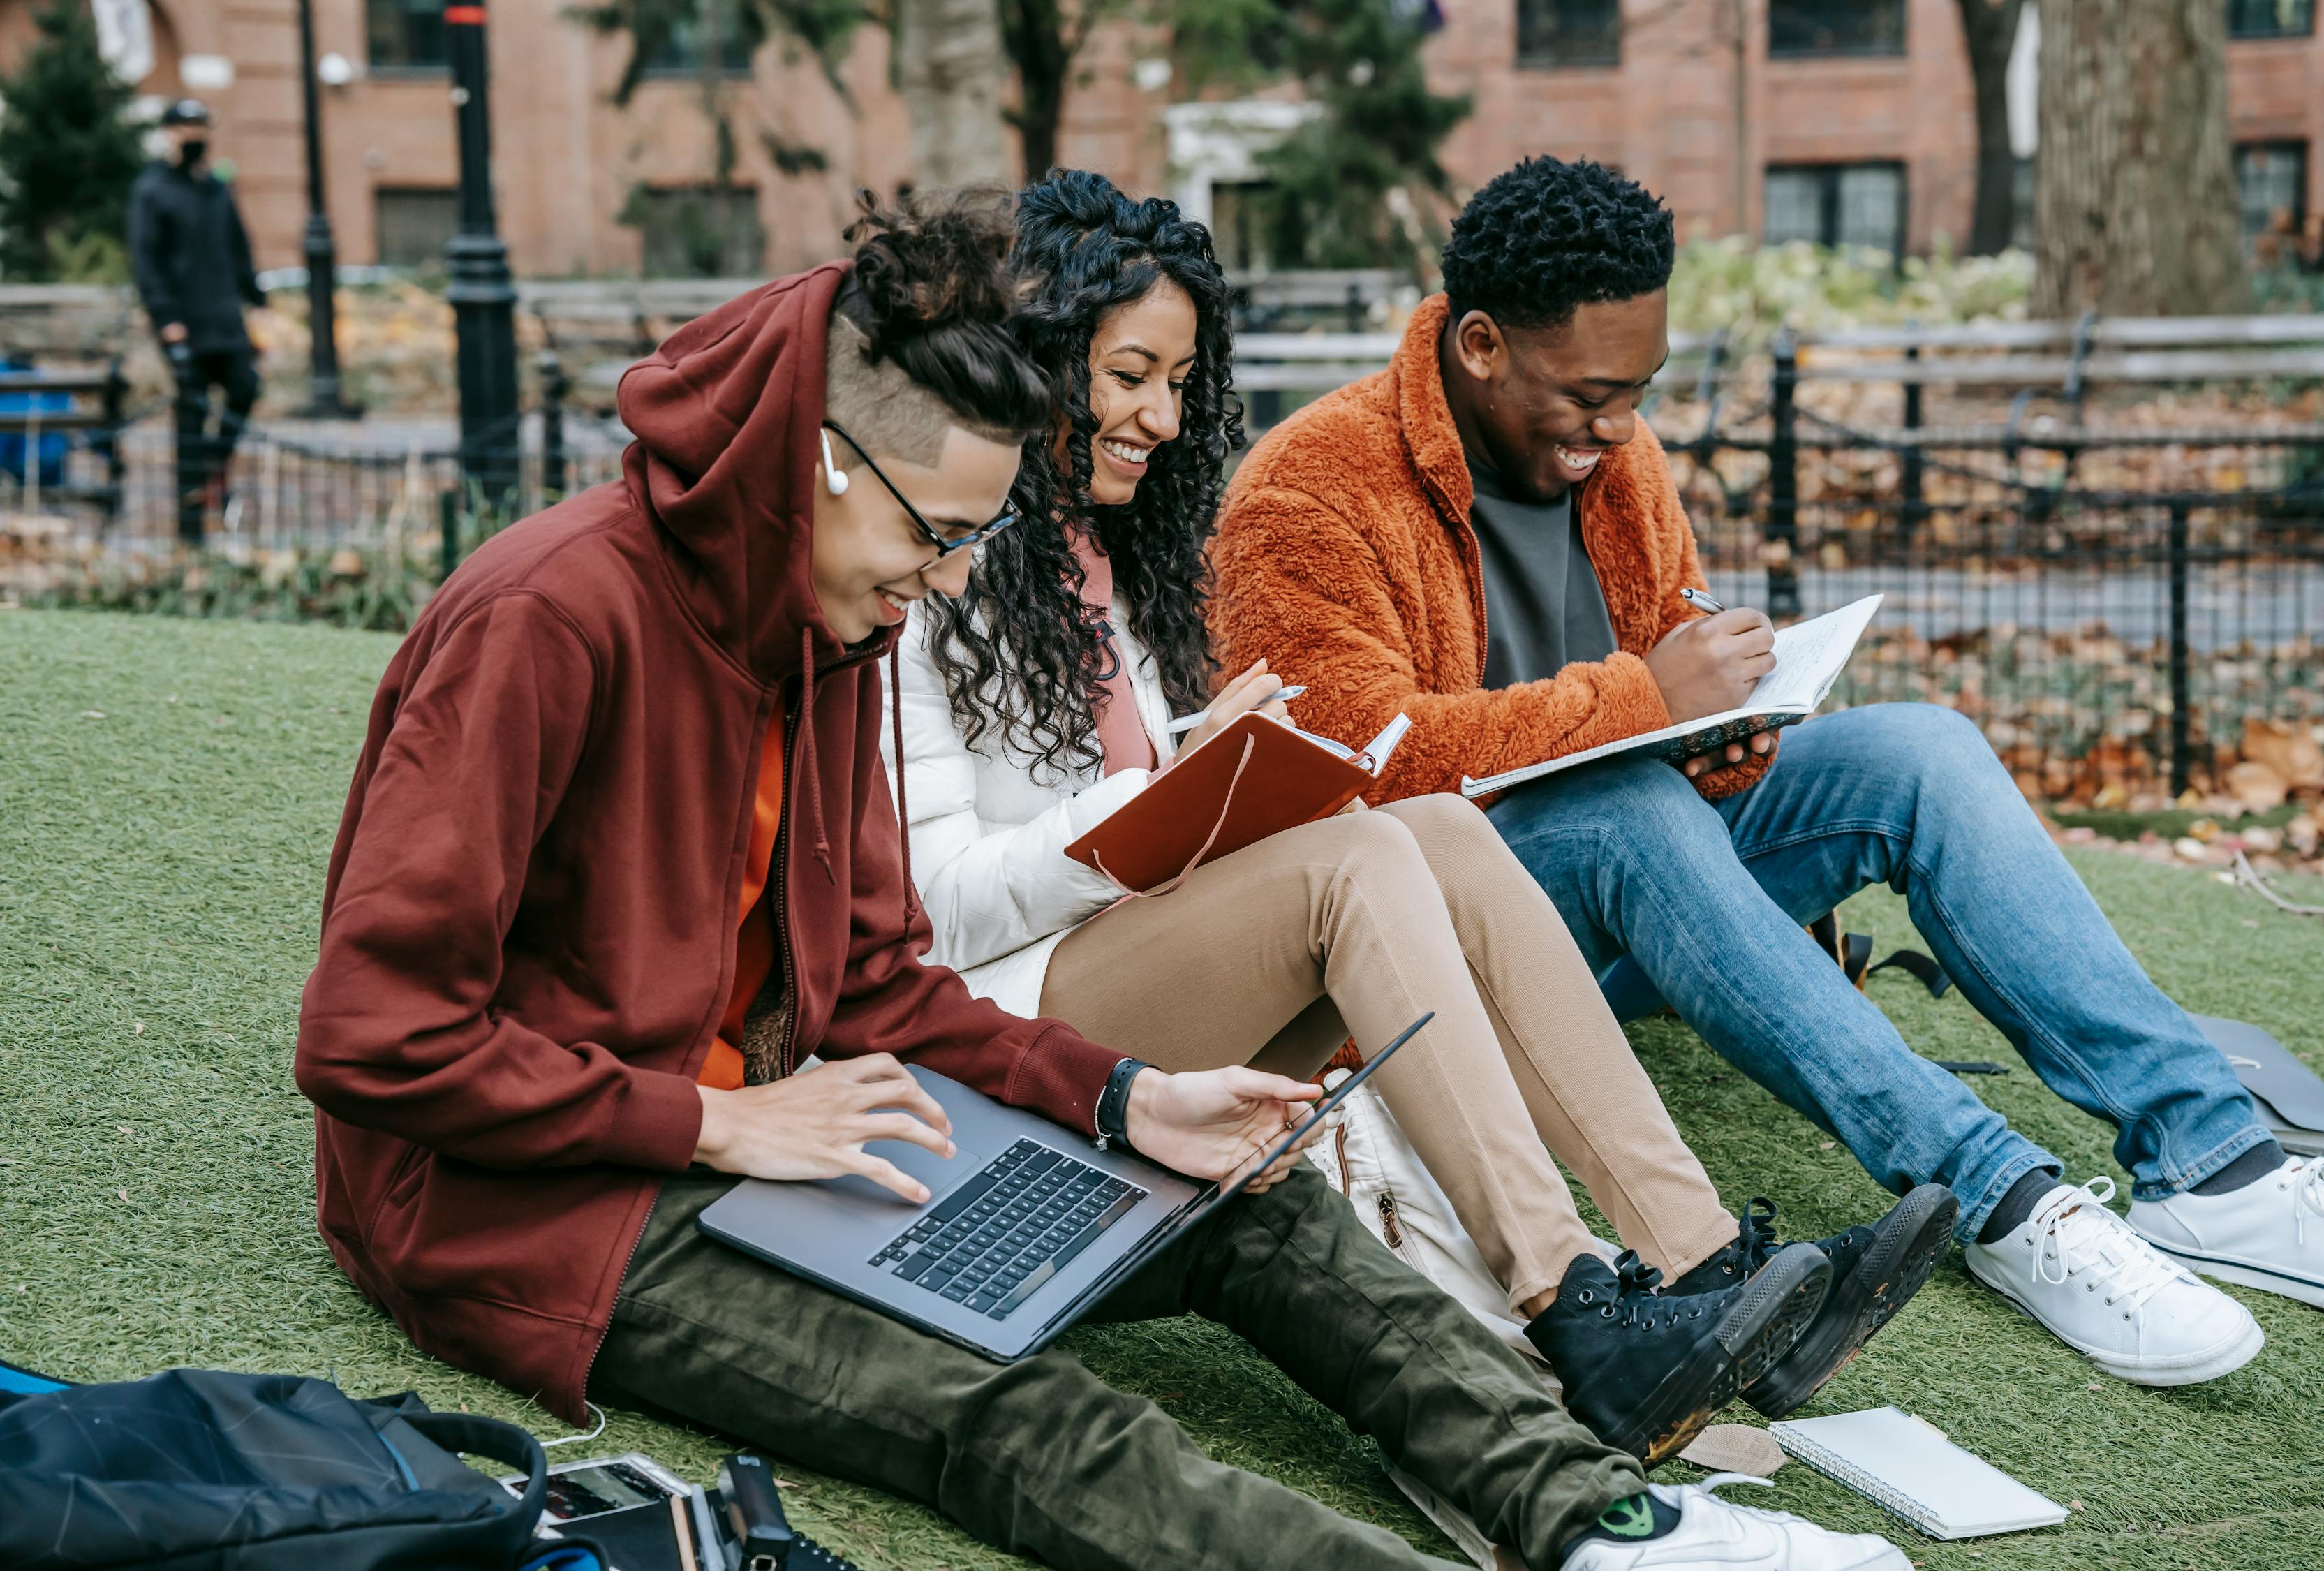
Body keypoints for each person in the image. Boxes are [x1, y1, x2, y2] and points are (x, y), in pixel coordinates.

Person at [293, 186, 1911, 1571]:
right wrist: (720, 1120)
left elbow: (873, 981)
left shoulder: (829, 613)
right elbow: (372, 1035)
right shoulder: (544, 619)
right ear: (824, 461)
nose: (937, 586)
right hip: (568, 1209)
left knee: (1244, 1201)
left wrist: (1123, 1095)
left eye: (968, 548)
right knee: (1002, 1406)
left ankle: (1603, 1524)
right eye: (930, 536)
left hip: (813, 1119)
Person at [1209, 155, 2324, 1387]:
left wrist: (1725, 724)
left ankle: (2212, 1165)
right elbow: (1344, 778)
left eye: (1639, 393)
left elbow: (1668, 641)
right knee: (1620, 806)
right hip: (1453, 935)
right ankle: (2004, 1201)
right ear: (1481, 345)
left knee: (1921, 750)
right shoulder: (1307, 489)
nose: (1616, 431)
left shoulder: (1617, 452)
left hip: (1646, 867)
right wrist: (1648, 702)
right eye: (1590, 395)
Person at [887, 170, 1953, 1464]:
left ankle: (1698, 1263)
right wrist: (1168, 794)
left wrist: (1214, 776)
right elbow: (934, 910)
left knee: (1436, 832)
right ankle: (1572, 1303)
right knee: (1356, 859)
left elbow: (1146, 799)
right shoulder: (918, 565)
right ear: (1037, 356)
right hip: (1007, 1021)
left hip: (1139, 950)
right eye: (1126, 377)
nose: (1160, 418)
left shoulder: (1127, 556)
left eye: (1178, 383)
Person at [128, 98, 263, 545]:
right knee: (190, 415)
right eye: (185, 128)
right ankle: (190, 530)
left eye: (201, 127)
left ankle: (210, 467)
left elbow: (239, 250)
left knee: (245, 388)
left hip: (226, 318)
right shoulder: (152, 189)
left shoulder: (217, 188)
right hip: (183, 324)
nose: (194, 136)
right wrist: (166, 320)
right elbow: (146, 262)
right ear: (169, 133)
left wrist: (258, 302)